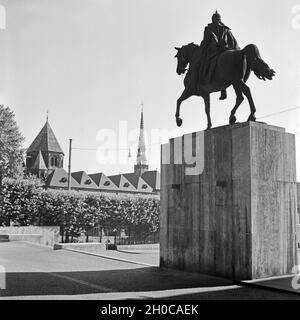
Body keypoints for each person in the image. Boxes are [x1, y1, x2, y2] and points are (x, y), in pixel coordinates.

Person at [191, 11, 240, 100]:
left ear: (213, 20)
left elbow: (205, 41)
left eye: (216, 19)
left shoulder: (209, 28)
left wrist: (201, 49)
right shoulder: (226, 29)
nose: (216, 21)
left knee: (203, 63)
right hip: (226, 49)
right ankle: (223, 90)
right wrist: (237, 51)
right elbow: (233, 41)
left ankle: (203, 81)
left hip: (214, 50)